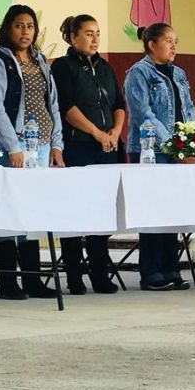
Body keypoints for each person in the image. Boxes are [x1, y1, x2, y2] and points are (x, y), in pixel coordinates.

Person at [0, 4, 64, 300]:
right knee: (10, 209)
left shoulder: (40, 60)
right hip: (13, 146)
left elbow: (52, 103)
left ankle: (32, 279)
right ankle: (8, 281)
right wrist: (12, 146)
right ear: (8, 28)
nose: (25, 31)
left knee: (30, 211)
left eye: (30, 26)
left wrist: (57, 145)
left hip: (41, 145)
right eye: (19, 25)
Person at [51, 15, 124, 295]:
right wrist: (96, 132)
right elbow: (66, 107)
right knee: (74, 211)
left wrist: (115, 132)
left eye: (97, 34)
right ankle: (73, 275)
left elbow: (117, 102)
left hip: (107, 147)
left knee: (101, 212)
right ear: (72, 36)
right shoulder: (63, 66)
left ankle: (99, 273)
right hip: (79, 146)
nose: (95, 39)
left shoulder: (104, 66)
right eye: (89, 34)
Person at [124, 22, 195, 291]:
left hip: (179, 153)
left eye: (175, 40)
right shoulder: (139, 73)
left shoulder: (179, 74)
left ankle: (171, 268)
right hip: (150, 150)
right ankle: (151, 271)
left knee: (172, 210)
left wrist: (192, 143)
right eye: (168, 40)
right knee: (153, 210)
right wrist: (175, 145)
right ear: (151, 44)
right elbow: (144, 114)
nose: (174, 46)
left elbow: (187, 110)